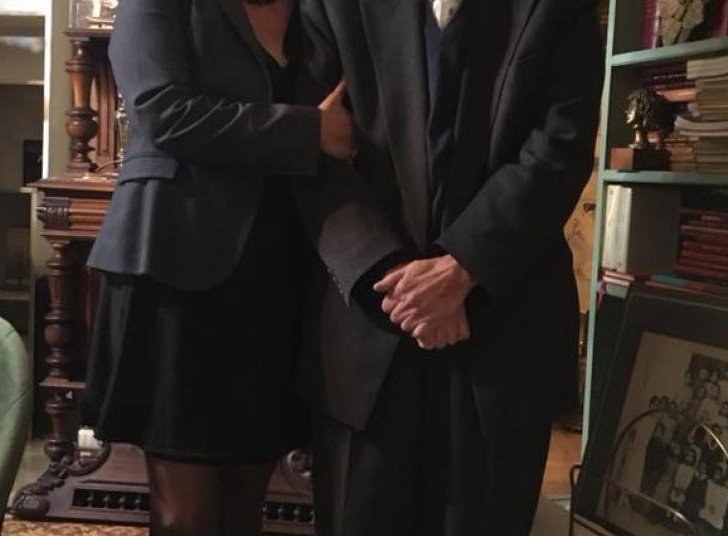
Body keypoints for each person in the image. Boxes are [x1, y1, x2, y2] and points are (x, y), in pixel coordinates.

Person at [81, 0, 405, 533]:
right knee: (186, 514)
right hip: (177, 270)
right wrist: (309, 132)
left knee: (245, 501)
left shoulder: (315, 12)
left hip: (275, 276)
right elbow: (162, 111)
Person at [297, 0, 604, 534]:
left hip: (503, 334)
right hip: (368, 332)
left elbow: (561, 147)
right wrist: (397, 283)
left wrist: (463, 266)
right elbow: (310, 147)